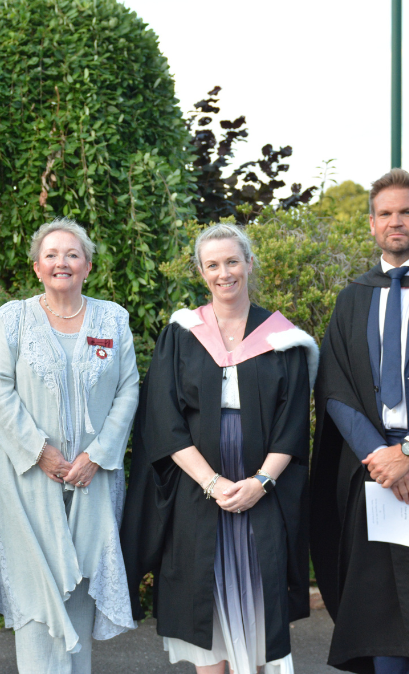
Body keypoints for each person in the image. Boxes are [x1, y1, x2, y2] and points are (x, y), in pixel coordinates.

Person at [121, 223, 318, 674]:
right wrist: (212, 483)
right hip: (197, 488)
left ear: (249, 263)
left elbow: (292, 425)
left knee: (258, 601)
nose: (224, 273)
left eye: (232, 261)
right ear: (201, 271)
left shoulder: (282, 339)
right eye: (213, 265)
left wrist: (261, 482)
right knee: (202, 601)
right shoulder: (182, 333)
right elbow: (165, 421)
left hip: (261, 488)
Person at [311, 169, 409, 674]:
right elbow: (335, 387)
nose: (395, 222)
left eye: (406, 212)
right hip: (375, 467)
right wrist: (381, 458)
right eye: (385, 213)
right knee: (383, 609)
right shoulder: (354, 297)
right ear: (371, 223)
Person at [0, 217, 139, 674]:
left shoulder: (113, 318)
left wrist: (97, 456)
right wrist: (40, 452)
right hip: (28, 476)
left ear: (88, 265)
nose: (61, 262)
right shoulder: (13, 317)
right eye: (51, 254)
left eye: (72, 254)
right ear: (36, 267)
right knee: (34, 590)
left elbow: (128, 389)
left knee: (82, 583)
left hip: (93, 478)